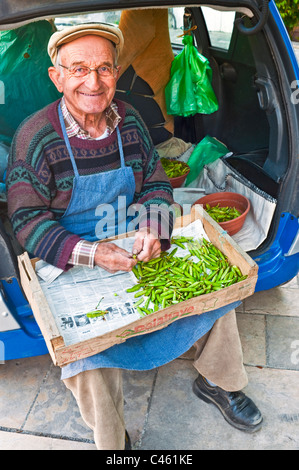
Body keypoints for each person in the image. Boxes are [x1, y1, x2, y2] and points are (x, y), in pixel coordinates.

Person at [6, 23, 262, 450]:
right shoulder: (36, 136)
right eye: (79, 69)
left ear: (117, 71)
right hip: (73, 252)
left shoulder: (130, 120)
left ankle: (220, 381)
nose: (93, 81)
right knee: (83, 349)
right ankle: (114, 443)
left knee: (218, 283)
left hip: (132, 237)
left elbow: (156, 185)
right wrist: (91, 253)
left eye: (104, 69)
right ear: (57, 76)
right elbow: (27, 220)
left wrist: (153, 226)